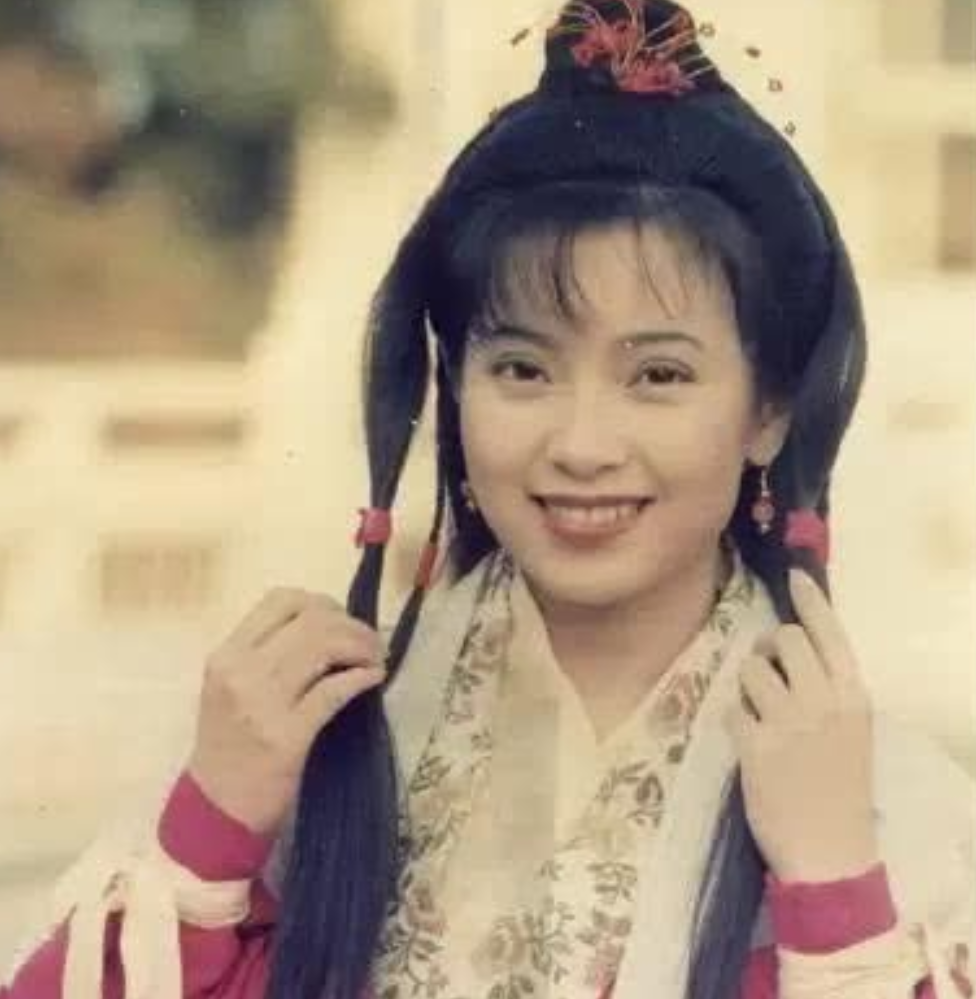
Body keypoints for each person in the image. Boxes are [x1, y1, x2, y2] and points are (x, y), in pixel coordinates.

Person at [3, 1, 974, 997]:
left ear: (769, 410)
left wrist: (833, 896)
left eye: (658, 376)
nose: (581, 446)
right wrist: (211, 826)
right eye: (521, 369)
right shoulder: (320, 745)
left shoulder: (878, 807)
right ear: (454, 385)